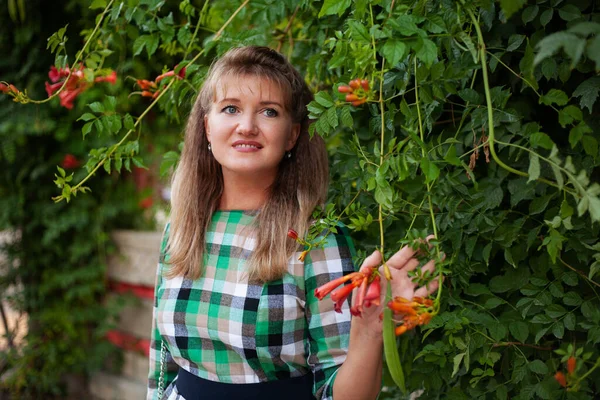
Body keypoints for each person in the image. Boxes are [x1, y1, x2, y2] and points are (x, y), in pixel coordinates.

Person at [147, 46, 440, 400]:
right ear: (208, 126)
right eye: (230, 108)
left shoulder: (316, 241)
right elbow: (161, 365)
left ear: (292, 135)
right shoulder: (180, 230)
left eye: (269, 111)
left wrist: (368, 333)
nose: (247, 126)